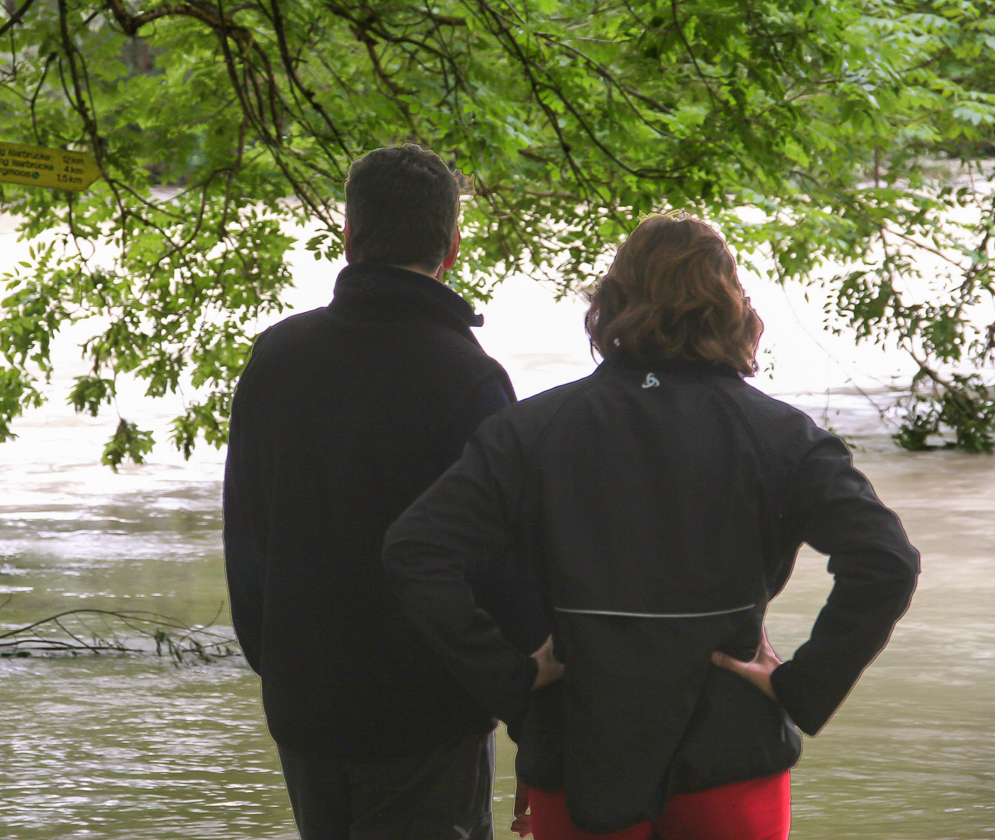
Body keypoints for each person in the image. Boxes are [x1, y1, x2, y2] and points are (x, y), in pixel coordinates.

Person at [382, 214, 920, 840]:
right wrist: (804, 686)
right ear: (733, 309)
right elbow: (886, 561)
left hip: (580, 744)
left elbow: (416, 552)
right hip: (730, 749)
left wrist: (509, 677)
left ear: (609, 304)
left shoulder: (533, 430)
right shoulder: (781, 436)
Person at [224, 144, 550, 840]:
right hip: (427, 718)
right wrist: (525, 704)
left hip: (305, 703)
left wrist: (280, 663)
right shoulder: (469, 378)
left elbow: (245, 538)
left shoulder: (275, 358)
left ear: (348, 237)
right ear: (452, 248)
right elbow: (502, 565)